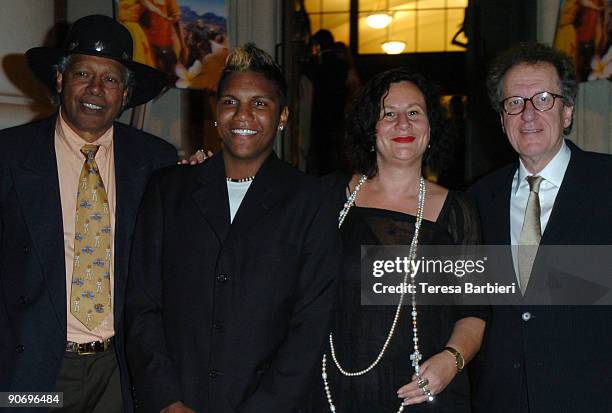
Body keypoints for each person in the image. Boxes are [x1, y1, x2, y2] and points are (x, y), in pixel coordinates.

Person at [125, 43, 341, 413]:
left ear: (283, 115)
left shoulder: (310, 200)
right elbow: (142, 305)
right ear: (216, 112)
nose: (243, 115)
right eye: (230, 102)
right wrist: (166, 400)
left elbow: (311, 323)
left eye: (260, 103)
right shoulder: (168, 191)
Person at [0, 15, 177, 412]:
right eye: (83, 73)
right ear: (60, 80)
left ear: (126, 93)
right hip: (30, 373)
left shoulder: (157, 162)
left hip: (118, 372)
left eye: (111, 79)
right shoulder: (8, 156)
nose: (95, 89)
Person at [306, 68, 486, 412]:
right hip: (332, 395)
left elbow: (474, 312)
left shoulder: (458, 210)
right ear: (369, 129)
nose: (403, 124)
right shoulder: (325, 197)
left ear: (430, 128)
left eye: (414, 113)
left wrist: (452, 361)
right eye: (388, 113)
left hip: (425, 398)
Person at [468, 42, 612, 413]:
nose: (528, 114)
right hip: (502, 400)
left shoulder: (607, 182)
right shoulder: (476, 201)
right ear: (502, 120)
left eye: (544, 99)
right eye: (515, 103)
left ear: (567, 111)